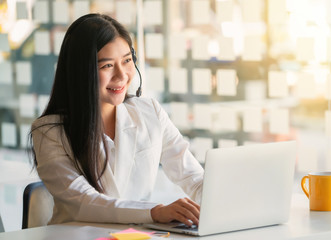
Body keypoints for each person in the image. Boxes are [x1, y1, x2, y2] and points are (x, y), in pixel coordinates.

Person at [30, 13, 204, 226]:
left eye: (127, 61)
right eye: (107, 66)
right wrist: (156, 211)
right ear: (81, 72)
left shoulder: (149, 112)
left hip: (135, 235)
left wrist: (218, 203)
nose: (122, 75)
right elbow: (84, 201)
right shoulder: (49, 132)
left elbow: (192, 176)